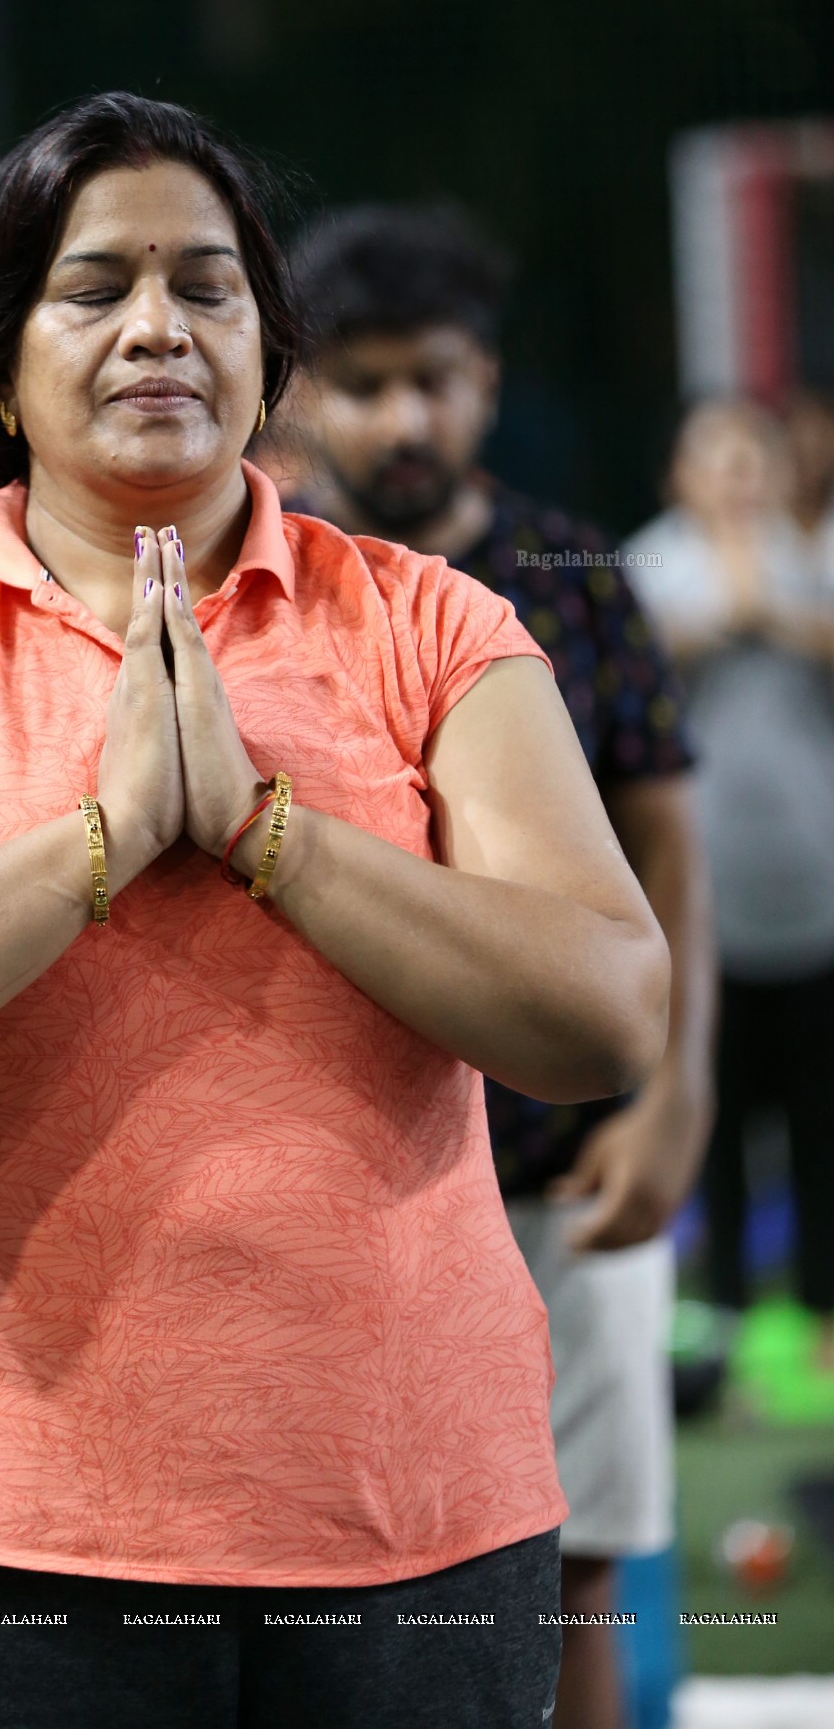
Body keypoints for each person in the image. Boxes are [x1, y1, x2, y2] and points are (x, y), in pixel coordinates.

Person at [0, 94, 668, 1729]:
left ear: (269, 359)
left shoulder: (431, 623)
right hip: (10, 1548)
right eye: (96, 288)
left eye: (207, 288)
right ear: (2, 363)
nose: (159, 326)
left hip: (415, 1532)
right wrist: (104, 837)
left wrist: (260, 831)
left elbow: (602, 1012)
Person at [285, 202, 714, 1729]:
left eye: (440, 377)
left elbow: (668, 856)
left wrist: (671, 1102)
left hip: (558, 1148)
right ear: (304, 389)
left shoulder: (571, 567)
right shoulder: (274, 584)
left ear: (488, 379)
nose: (408, 415)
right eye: (369, 379)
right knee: (351, 1569)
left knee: (577, 1559)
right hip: (342, 1162)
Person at [626, 398, 834, 1371]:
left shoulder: (819, 554)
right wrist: (719, 622)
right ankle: (728, 1319)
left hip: (814, 892)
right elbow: (627, 678)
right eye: (716, 460)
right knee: (707, 1105)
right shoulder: (639, 566)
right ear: (678, 477)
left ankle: (817, 1325)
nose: (739, 477)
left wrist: (776, 611)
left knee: (817, 1113)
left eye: (754, 457)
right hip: (696, 901)